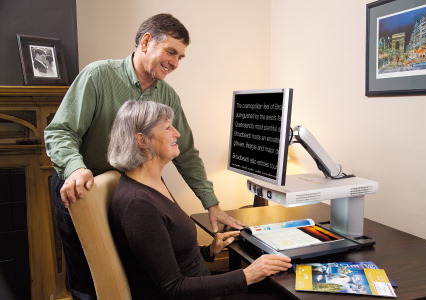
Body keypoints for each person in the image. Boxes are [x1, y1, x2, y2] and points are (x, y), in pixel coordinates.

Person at [44, 13, 245, 300]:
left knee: (131, 271)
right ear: (147, 42)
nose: (175, 63)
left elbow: (186, 151)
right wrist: (76, 168)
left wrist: (211, 204)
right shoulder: (98, 76)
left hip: (126, 192)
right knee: (91, 279)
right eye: (171, 52)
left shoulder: (168, 96)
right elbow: (60, 132)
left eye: (180, 57)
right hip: (81, 187)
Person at [107, 100, 292, 300]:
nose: (177, 133)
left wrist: (209, 251)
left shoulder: (152, 182)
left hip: (199, 283)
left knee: (281, 285)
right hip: (188, 294)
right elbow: (173, 288)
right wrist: (248, 274)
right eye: (168, 128)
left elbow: (167, 254)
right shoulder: (138, 205)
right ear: (142, 141)